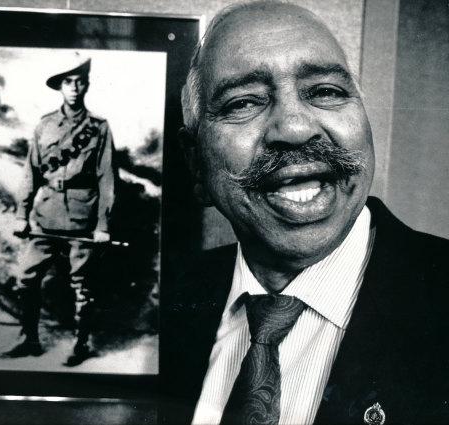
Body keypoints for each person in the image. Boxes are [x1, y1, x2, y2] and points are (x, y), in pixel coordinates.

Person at [161, 2, 449, 424]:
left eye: (325, 91)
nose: (295, 128)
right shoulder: (158, 307)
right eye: (243, 102)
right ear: (196, 165)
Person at [0, 52, 116, 367]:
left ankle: (81, 345)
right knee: (26, 278)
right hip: (45, 215)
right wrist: (21, 214)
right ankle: (29, 339)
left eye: (80, 82)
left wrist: (102, 225)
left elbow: (106, 178)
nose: (74, 88)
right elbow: (30, 172)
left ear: (87, 85)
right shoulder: (44, 126)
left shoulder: (99, 128)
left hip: (83, 218)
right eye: (68, 82)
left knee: (83, 287)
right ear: (60, 87)